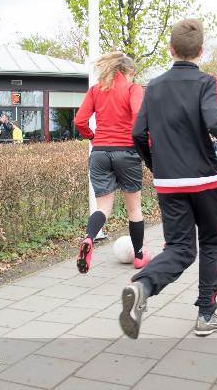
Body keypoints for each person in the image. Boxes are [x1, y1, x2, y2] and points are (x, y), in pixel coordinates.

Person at [120, 19, 217, 339]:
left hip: (169, 184)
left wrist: (156, 166)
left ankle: (143, 285)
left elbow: (137, 134)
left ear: (170, 49)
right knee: (213, 243)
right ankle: (206, 315)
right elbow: (216, 123)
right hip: (205, 183)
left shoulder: (153, 87)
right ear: (200, 51)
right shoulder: (206, 83)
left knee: (180, 248)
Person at [73, 51, 151, 274]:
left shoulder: (96, 90)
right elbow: (139, 119)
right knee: (134, 208)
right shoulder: (133, 89)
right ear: (129, 71)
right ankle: (139, 256)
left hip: (100, 153)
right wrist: (148, 147)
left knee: (103, 208)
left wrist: (91, 136)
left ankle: (89, 238)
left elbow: (79, 121)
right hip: (126, 152)